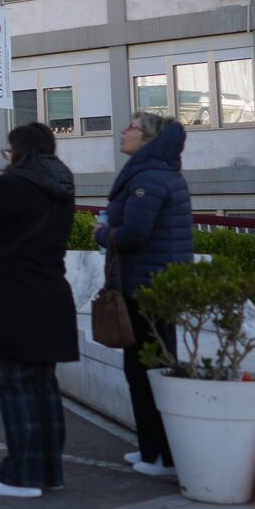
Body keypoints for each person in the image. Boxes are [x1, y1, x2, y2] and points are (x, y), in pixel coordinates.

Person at [0, 123, 79, 498]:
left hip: (11, 299)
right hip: (50, 295)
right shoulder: (61, 187)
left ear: (20, 150)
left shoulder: (13, 185)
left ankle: (22, 475)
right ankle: (49, 471)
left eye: (8, 150)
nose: (6, 156)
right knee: (42, 387)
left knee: (13, 385)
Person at [95, 111, 193, 478]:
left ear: (148, 138)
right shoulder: (152, 173)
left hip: (148, 289)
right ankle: (152, 450)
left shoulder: (149, 177)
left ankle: (165, 457)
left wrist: (100, 234)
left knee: (149, 370)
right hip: (147, 285)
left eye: (132, 127)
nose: (123, 131)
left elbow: (135, 234)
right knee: (140, 369)